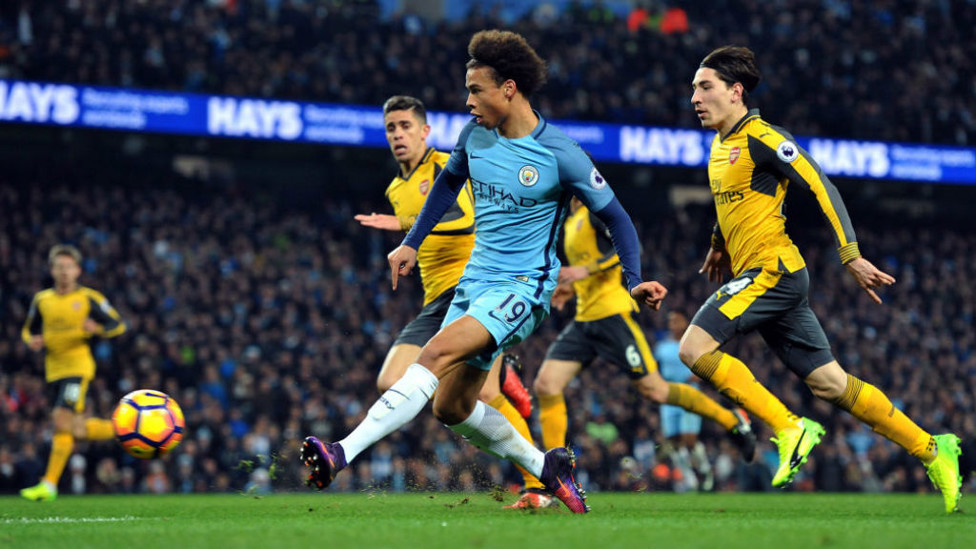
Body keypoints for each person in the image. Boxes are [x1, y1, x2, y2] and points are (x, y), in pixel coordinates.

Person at [302, 29, 667, 514]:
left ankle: (340, 452)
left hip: (524, 287)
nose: (467, 100)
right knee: (450, 407)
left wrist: (633, 277)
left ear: (509, 88)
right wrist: (410, 243)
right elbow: (448, 183)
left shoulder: (560, 153)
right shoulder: (474, 137)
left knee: (433, 353)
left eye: (476, 90)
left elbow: (616, 216)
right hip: (474, 284)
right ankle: (546, 468)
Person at [673, 45, 961, 512]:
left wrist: (850, 254)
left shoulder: (763, 136)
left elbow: (820, 183)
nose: (695, 99)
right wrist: (717, 243)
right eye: (693, 90)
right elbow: (733, 203)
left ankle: (790, 427)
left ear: (736, 92)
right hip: (763, 273)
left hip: (774, 270)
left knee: (693, 348)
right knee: (830, 384)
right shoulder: (720, 144)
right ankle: (932, 448)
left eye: (705, 88)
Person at [354, 95, 547, 508]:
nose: (398, 135)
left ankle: (538, 485)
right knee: (391, 380)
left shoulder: (444, 163)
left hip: (476, 288)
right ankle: (504, 376)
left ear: (425, 131)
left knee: (483, 397)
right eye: (391, 128)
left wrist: (406, 226)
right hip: (435, 298)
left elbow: (464, 220)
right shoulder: (395, 186)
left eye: (406, 126)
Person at [534, 197, 754, 478]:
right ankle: (556, 479)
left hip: (613, 317)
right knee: (546, 384)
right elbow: (593, 268)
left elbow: (626, 246)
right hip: (585, 319)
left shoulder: (593, 213)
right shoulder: (570, 221)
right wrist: (574, 288)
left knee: (656, 390)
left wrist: (583, 271)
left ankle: (731, 420)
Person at [19, 244, 127, 501]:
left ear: (77, 270)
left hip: (78, 367)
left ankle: (49, 484)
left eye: (69, 267)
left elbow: (117, 324)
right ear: (52, 270)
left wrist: (97, 329)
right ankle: (127, 430)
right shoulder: (42, 300)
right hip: (52, 370)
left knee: (60, 420)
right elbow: (27, 329)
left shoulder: (89, 298)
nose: (64, 271)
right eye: (59, 267)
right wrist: (30, 341)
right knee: (73, 429)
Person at [654, 310, 718, 490]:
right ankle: (689, 477)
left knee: (689, 440)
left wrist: (700, 375)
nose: (672, 323)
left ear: (685, 323)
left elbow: (709, 362)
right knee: (673, 440)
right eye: (670, 320)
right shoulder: (662, 347)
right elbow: (654, 368)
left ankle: (705, 469)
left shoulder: (693, 343)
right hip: (669, 394)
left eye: (676, 320)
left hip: (690, 392)